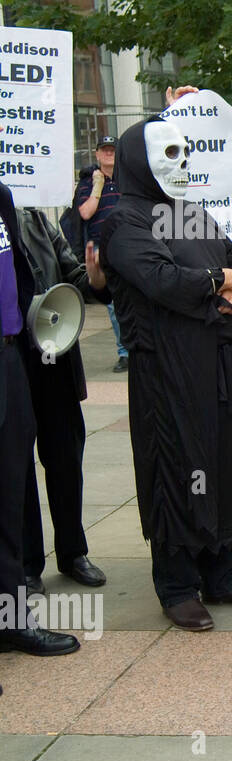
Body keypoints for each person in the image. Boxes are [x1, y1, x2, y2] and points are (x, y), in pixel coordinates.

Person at [101, 116, 232, 631]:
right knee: (177, 471)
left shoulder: (194, 213)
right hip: (168, 375)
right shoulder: (124, 221)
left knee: (223, 463)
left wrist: (225, 283)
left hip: (219, 362)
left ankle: (221, 573)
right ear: (142, 161)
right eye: (170, 155)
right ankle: (177, 585)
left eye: (186, 155)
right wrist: (220, 281)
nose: (182, 165)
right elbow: (161, 280)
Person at [0, 180, 82, 683]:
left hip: (10, 357)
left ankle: (11, 620)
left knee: (10, 494)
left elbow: (22, 278)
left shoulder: (3, 197)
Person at [13, 206, 111, 592]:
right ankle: (27, 563)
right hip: (12, 360)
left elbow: (71, 276)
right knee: (17, 467)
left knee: (67, 461)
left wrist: (95, 280)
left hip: (54, 356)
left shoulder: (36, 218)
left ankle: (73, 553)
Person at [75, 136, 127, 372]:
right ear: (96, 155)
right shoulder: (88, 183)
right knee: (114, 306)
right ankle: (124, 352)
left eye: (112, 150)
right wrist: (98, 185)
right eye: (104, 151)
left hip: (127, 246)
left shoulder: (127, 179)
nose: (109, 154)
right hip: (101, 250)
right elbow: (85, 213)